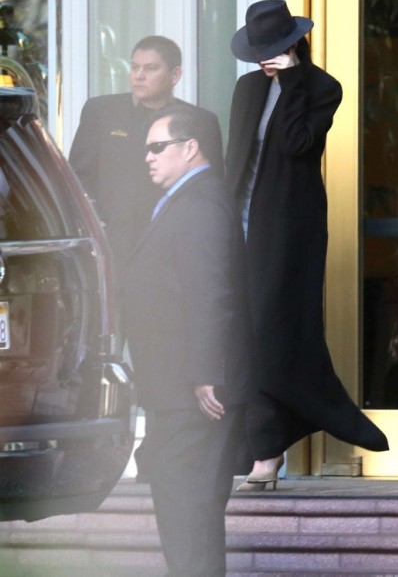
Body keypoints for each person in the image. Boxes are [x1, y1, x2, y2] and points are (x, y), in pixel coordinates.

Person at [225, 0, 389, 490]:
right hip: (241, 227)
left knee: (275, 334)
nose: (264, 60)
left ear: (295, 44)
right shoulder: (247, 88)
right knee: (245, 336)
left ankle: (284, 437)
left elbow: (298, 146)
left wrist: (293, 79)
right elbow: (237, 158)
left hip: (288, 233)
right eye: (259, 51)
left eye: (273, 49)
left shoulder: (321, 88)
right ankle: (265, 450)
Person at [123, 105, 252, 576]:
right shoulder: (187, 199)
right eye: (146, 149)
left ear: (190, 147)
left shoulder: (200, 203)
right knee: (187, 510)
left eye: (158, 147)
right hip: (179, 389)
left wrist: (204, 374)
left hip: (194, 394)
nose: (148, 157)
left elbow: (211, 292)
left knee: (187, 510)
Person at [69, 35, 223, 286]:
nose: (138, 76)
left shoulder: (200, 122)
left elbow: (209, 188)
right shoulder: (101, 112)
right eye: (134, 67)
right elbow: (78, 177)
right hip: (112, 246)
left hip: (173, 249)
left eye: (150, 68)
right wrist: (94, 222)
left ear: (175, 75)